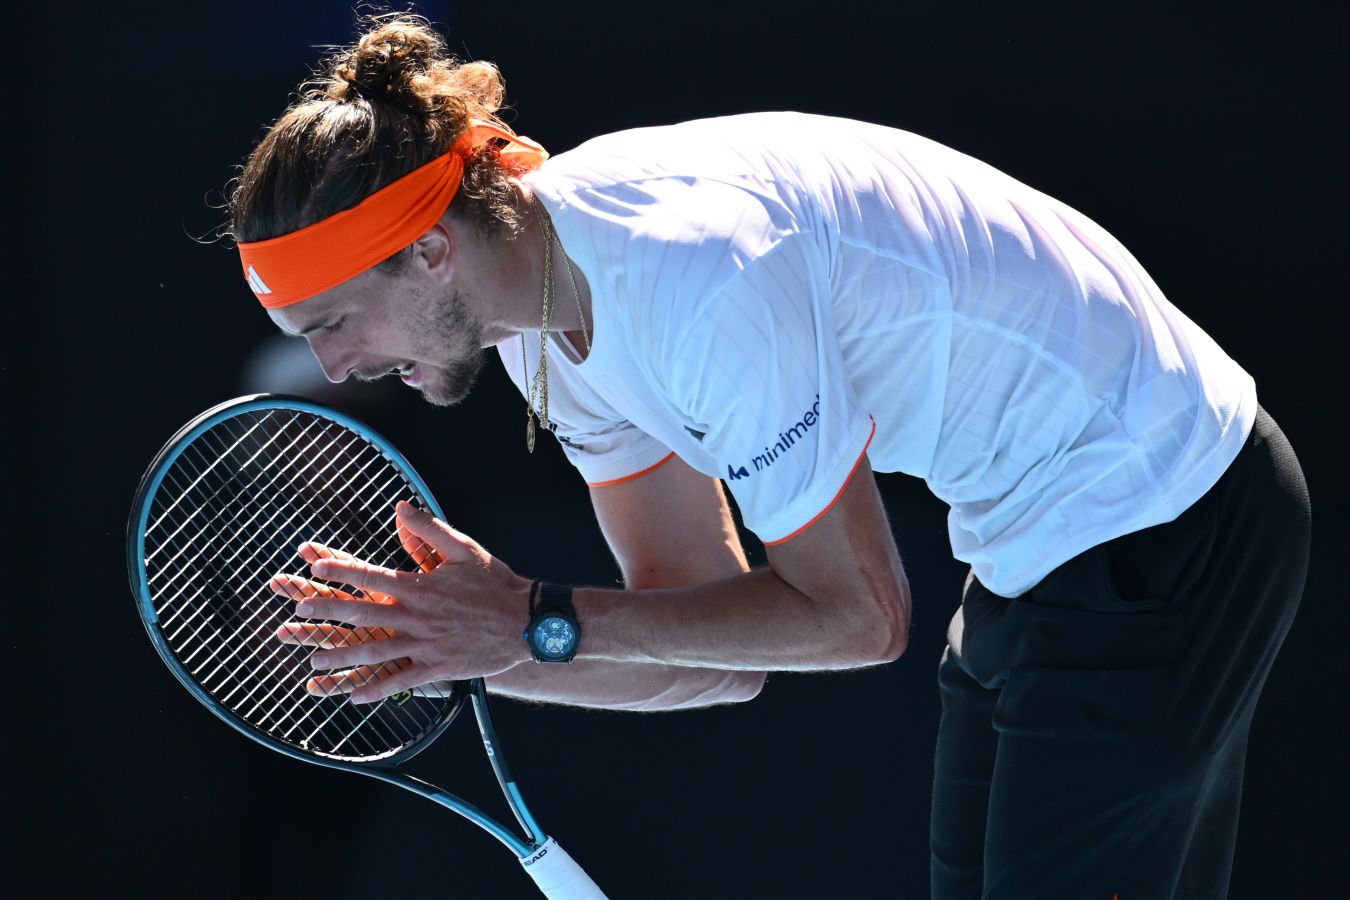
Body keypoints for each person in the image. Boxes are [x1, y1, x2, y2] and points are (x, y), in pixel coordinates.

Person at [228, 15, 1311, 899]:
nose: (336, 364)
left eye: (334, 322)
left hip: (1167, 511)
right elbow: (717, 650)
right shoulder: (541, 323)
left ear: (429, 252)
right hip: (1043, 548)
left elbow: (858, 619)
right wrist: (481, 648)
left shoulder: (693, 281)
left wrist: (526, 621)